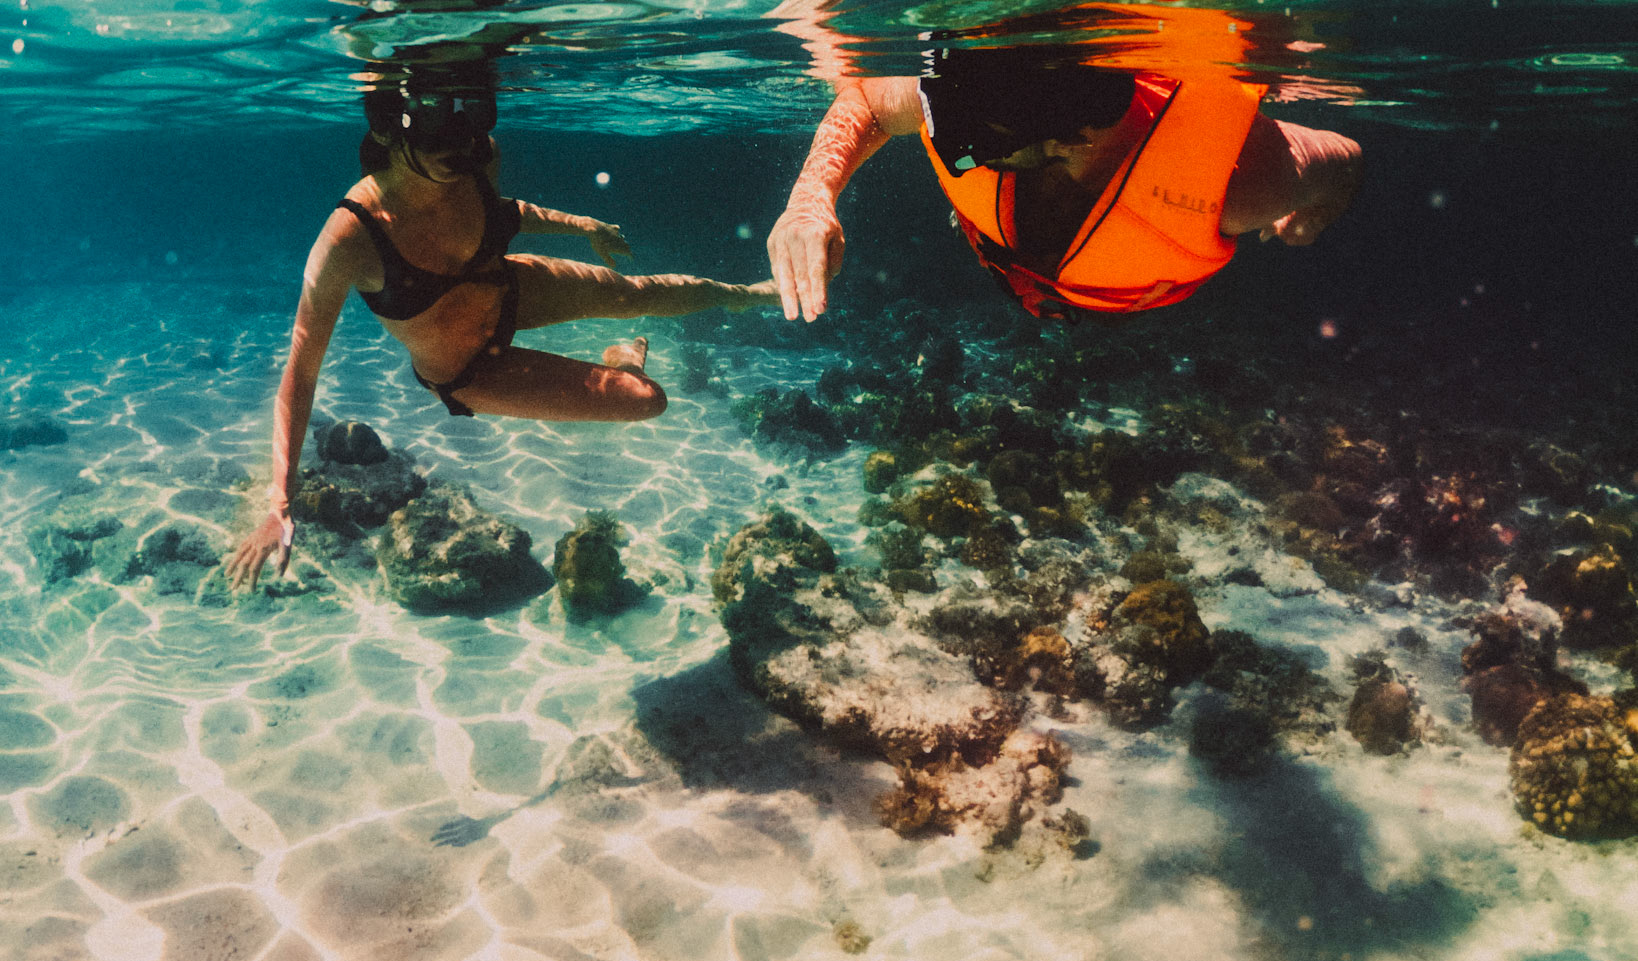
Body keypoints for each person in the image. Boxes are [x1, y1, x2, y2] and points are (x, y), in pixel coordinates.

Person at [228, 84, 774, 590]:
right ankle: (624, 362)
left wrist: (585, 226)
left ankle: (746, 294)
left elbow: (507, 213)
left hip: (509, 288)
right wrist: (280, 500)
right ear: (388, 130)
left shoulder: (475, 159)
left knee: (636, 292)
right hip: (470, 370)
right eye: (439, 136)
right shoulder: (350, 235)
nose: (459, 150)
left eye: (466, 133)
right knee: (645, 401)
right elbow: (300, 368)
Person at [766, 43, 1362, 323]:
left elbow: (1345, 158)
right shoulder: (981, 94)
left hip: (1134, 288)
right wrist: (811, 197)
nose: (953, 157)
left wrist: (1317, 210)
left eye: (981, 149)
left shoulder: (1239, 185)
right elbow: (871, 100)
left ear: (1068, 140)